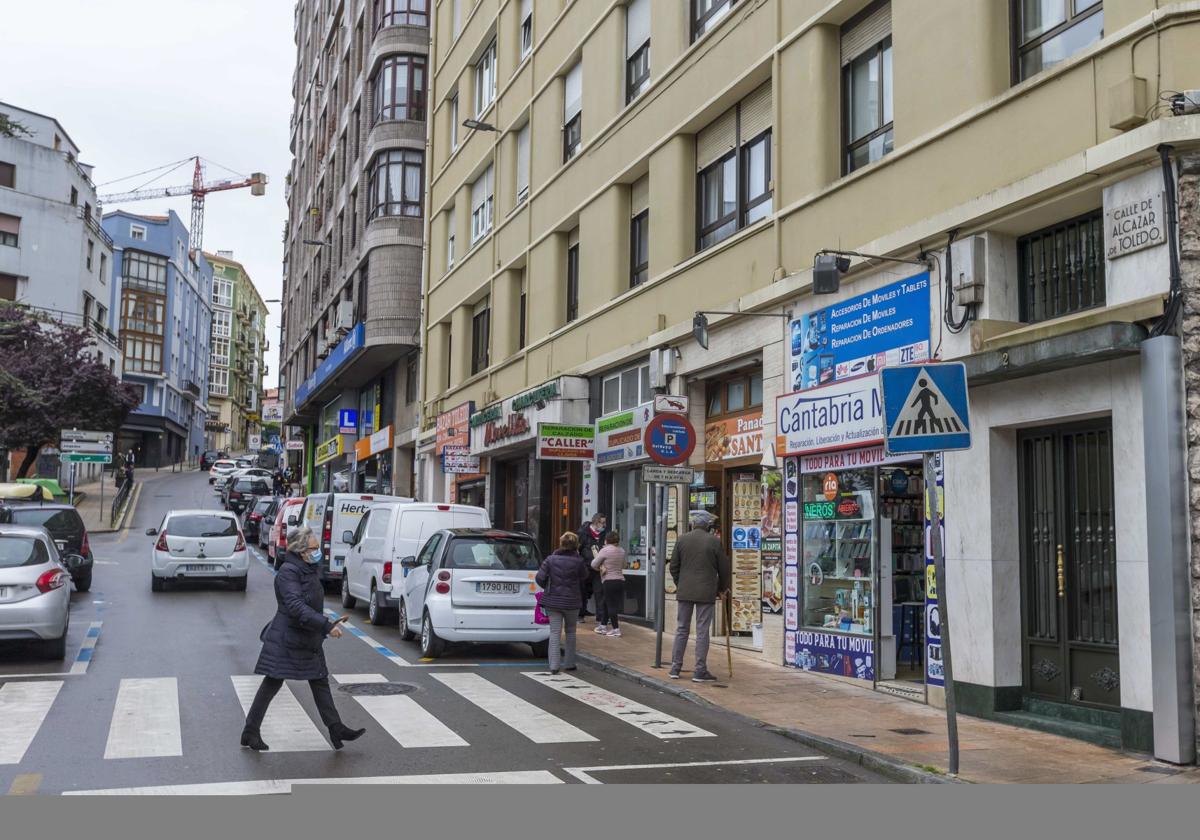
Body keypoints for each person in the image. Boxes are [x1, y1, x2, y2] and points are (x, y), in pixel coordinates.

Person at [240, 526, 366, 752]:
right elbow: (296, 607)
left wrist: (324, 623)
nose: (318, 552)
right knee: (272, 682)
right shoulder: (289, 572)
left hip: (306, 636)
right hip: (288, 638)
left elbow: (308, 603)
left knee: (319, 680)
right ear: (301, 551)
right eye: (314, 548)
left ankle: (335, 728)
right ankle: (251, 731)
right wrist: (326, 626)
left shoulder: (307, 569)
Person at [668, 511, 730, 683]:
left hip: (685, 591)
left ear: (693, 525)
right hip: (706, 591)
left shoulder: (682, 539)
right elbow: (724, 569)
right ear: (708, 526)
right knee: (702, 631)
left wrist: (681, 583)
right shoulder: (714, 541)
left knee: (681, 629)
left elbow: (673, 566)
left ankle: (675, 667)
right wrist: (722, 588)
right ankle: (699, 670)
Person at [535, 531, 589, 675]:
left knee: (554, 632)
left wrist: (547, 586)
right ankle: (570, 663)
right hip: (572, 601)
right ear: (576, 545)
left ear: (561, 543)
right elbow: (585, 577)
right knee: (571, 632)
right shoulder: (579, 561)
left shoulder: (550, 559)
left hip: (553, 601)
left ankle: (554, 665)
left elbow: (539, 578)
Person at [590, 531, 627, 637]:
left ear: (606, 540)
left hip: (609, 580)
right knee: (606, 603)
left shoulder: (604, 550)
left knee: (611, 606)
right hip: (620, 580)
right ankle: (603, 625)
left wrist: (600, 568)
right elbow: (624, 565)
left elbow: (593, 564)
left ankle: (616, 629)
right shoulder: (622, 550)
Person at [576, 513, 607, 622]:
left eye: (604, 522)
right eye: (602, 523)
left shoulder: (604, 534)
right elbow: (577, 549)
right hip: (585, 567)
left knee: (600, 592)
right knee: (582, 592)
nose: (604, 525)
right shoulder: (583, 533)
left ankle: (601, 617)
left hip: (598, 568)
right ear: (595, 522)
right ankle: (580, 615)